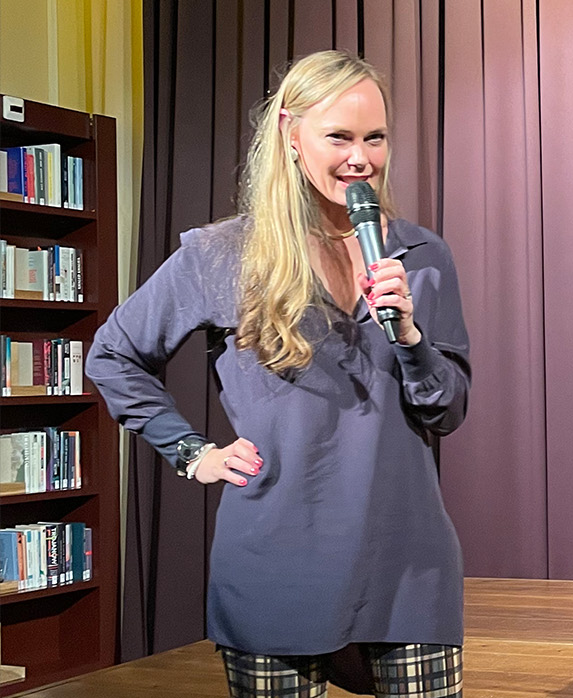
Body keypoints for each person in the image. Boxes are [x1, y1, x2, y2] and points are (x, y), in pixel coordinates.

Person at [86, 50, 470, 697]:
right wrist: (191, 453)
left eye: (375, 137)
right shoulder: (223, 254)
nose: (362, 158)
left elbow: (447, 409)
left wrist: (408, 333)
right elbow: (112, 354)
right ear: (292, 135)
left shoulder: (423, 256)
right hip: (277, 564)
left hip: (408, 565)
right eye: (340, 137)